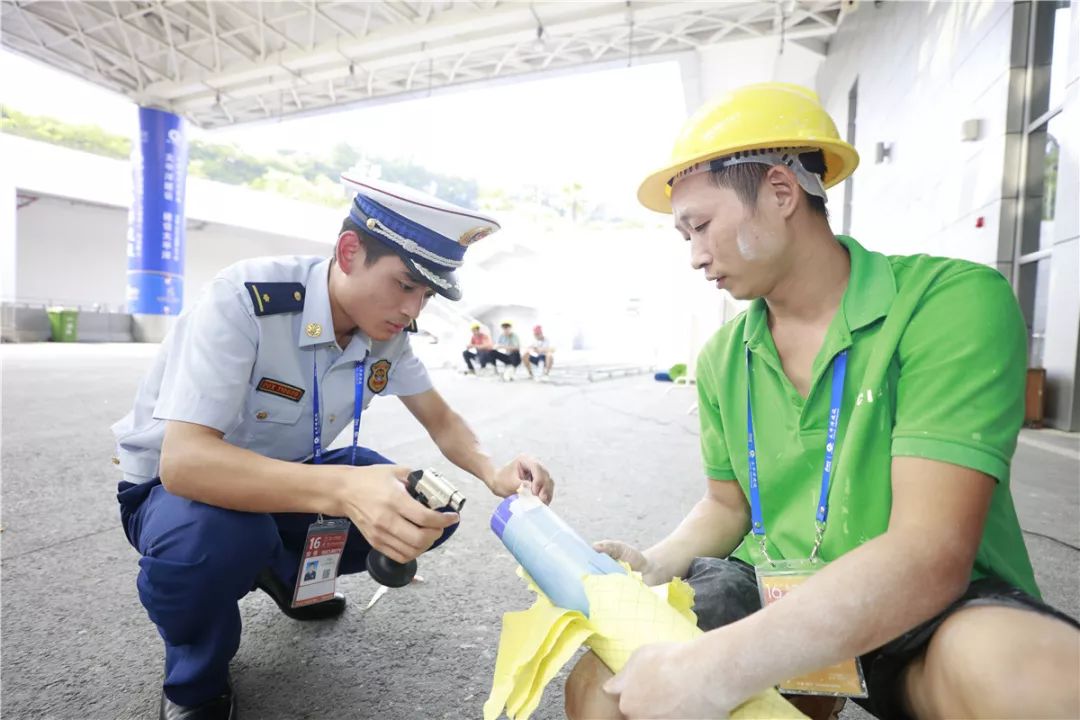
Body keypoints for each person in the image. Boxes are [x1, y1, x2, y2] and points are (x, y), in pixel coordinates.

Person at [565, 82, 1079, 720]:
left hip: (922, 606)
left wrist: (716, 668)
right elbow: (728, 503)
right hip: (771, 587)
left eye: (701, 227)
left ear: (781, 193)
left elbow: (930, 552)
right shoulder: (724, 356)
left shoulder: (948, 303)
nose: (696, 257)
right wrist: (654, 563)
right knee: (607, 687)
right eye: (684, 237)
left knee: (1027, 678)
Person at [111, 174, 556, 720]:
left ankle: (283, 572)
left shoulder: (387, 331)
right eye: (404, 285)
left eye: (426, 294)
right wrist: (346, 489)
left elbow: (441, 419)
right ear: (350, 251)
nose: (413, 309)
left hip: (290, 478)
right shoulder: (247, 301)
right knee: (218, 538)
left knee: (427, 501)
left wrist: (493, 471)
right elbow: (184, 464)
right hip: (173, 494)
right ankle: (195, 681)